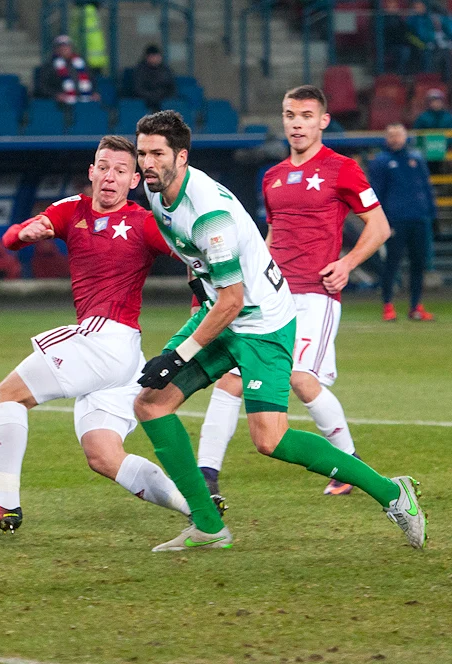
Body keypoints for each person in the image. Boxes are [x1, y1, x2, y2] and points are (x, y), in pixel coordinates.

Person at [131, 110, 425, 552]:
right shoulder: (158, 193)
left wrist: (177, 355)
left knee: (269, 438)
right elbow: (205, 274)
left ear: (182, 156)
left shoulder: (209, 212)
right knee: (151, 404)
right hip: (223, 311)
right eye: (142, 154)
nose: (147, 162)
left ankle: (391, 492)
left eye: (157, 153)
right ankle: (210, 527)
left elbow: (233, 299)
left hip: (262, 324)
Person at [0, 135, 203, 535]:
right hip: (123, 360)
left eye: (120, 171)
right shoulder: (72, 209)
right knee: (103, 455)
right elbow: (14, 236)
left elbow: (195, 253)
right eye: (103, 167)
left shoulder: (142, 222)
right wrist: (27, 233)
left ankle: (5, 504)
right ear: (91, 171)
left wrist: (201, 298)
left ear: (134, 180)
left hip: (105, 339)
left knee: (6, 395)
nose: (109, 177)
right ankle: (198, 506)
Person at [195, 85, 394, 500]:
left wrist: (347, 264)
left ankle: (348, 463)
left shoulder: (342, 168)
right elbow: (271, 236)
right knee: (231, 380)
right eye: (290, 115)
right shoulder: (272, 176)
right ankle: (206, 475)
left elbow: (379, 227)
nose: (297, 123)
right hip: (270, 297)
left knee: (302, 379)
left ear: (322, 121)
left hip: (316, 295)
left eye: (305, 115)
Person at [369, 122, 437, 322]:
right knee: (392, 264)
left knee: (419, 264)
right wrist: (380, 221)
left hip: (419, 219)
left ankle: (415, 306)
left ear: (405, 136)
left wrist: (431, 214)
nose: (396, 139)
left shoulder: (416, 158)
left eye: (399, 135)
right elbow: (376, 193)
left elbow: (426, 188)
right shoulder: (381, 162)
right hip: (395, 220)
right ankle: (388, 305)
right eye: (392, 135)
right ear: (386, 138)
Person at [34, 35, 99, 104]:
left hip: (84, 101)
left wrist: (94, 92)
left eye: (66, 46)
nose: (64, 49)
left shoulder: (82, 63)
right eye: (61, 47)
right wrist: (56, 95)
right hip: (60, 104)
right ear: (56, 49)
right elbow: (42, 87)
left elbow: (92, 81)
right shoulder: (49, 66)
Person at [132, 44, 176, 113]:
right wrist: (152, 96)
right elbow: (138, 89)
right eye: (153, 56)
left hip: (163, 100)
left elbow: (172, 87)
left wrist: (163, 96)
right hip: (146, 101)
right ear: (148, 57)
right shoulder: (140, 70)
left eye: (157, 56)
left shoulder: (165, 70)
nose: (156, 58)